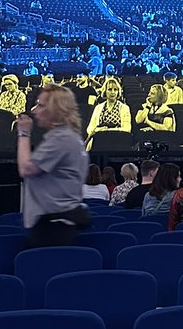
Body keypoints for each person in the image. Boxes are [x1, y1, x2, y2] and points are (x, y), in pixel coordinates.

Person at [16, 84, 89, 247]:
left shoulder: (61, 139)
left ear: (56, 109)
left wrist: (23, 133)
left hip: (54, 226)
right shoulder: (68, 136)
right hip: (56, 221)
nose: (34, 111)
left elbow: (26, 169)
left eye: (41, 105)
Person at [86, 77, 132, 144]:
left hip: (118, 140)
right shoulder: (98, 107)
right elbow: (90, 129)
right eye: (110, 89)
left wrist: (106, 131)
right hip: (100, 140)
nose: (112, 92)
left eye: (115, 89)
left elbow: (127, 129)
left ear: (118, 91)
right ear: (105, 91)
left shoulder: (124, 108)